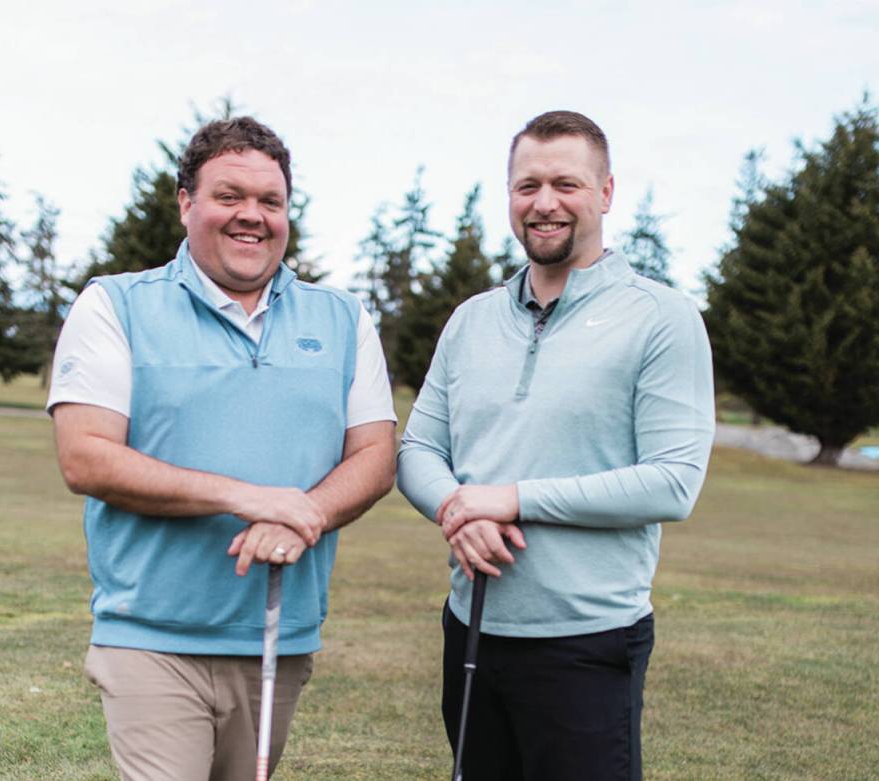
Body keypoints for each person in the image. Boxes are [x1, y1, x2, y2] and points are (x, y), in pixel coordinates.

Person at [48, 116, 397, 781]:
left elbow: (376, 453)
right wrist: (247, 497)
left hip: (278, 637)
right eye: (229, 196)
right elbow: (85, 455)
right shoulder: (114, 305)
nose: (252, 216)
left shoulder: (343, 318)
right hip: (152, 640)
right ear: (186, 202)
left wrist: (308, 513)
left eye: (270, 201)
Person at [397, 110, 715, 780]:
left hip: (588, 641)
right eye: (527, 185)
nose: (544, 203)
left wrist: (509, 499)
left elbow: (671, 481)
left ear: (605, 192)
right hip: (473, 627)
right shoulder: (471, 320)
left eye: (566, 184)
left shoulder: (661, 318)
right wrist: (459, 507)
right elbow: (416, 448)